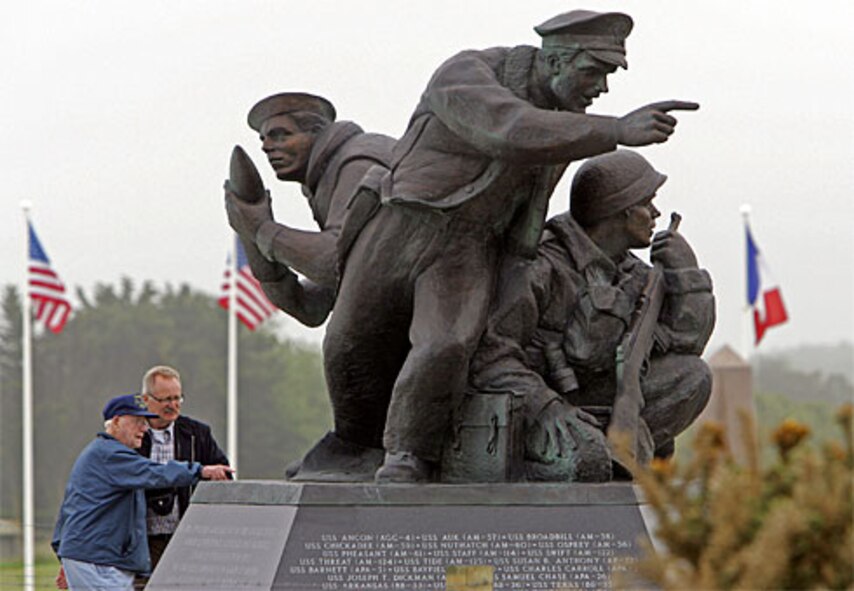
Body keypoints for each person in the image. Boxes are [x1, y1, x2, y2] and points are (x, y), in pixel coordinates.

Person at [321, 9, 700, 482]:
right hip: (401, 226)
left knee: (448, 343)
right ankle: (352, 449)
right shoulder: (467, 74)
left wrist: (517, 286)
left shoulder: (565, 123)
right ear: (556, 60)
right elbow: (509, 130)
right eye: (594, 71)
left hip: (467, 246)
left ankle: (408, 455)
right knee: (349, 345)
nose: (600, 88)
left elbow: (528, 217)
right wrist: (616, 131)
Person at [470, 149, 715, 481]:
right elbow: (493, 357)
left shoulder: (636, 274)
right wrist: (547, 406)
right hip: (533, 409)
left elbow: (684, 342)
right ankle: (588, 448)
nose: (656, 213)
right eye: (646, 203)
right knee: (589, 462)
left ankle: (615, 442)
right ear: (618, 211)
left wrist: (687, 275)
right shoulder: (541, 266)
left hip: (596, 401)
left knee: (694, 377)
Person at [224, 92, 394, 327]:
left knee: (347, 339)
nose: (266, 147)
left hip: (444, 309)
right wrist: (251, 235)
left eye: (281, 135)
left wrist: (261, 229)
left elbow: (334, 261)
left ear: (317, 133)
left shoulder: (358, 162)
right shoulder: (323, 180)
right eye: (264, 139)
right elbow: (311, 307)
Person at [52, 394, 232, 591]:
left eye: (145, 423)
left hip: (91, 558)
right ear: (117, 422)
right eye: (138, 422)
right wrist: (201, 471)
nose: (145, 429)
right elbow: (156, 473)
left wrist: (67, 555)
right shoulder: (111, 455)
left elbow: (69, 508)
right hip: (98, 561)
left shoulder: (99, 453)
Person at [134, 365, 229, 588]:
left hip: (186, 536)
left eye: (177, 398)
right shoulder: (132, 434)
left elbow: (224, 474)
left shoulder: (197, 434)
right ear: (146, 399)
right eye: (166, 399)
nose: (173, 405)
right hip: (141, 539)